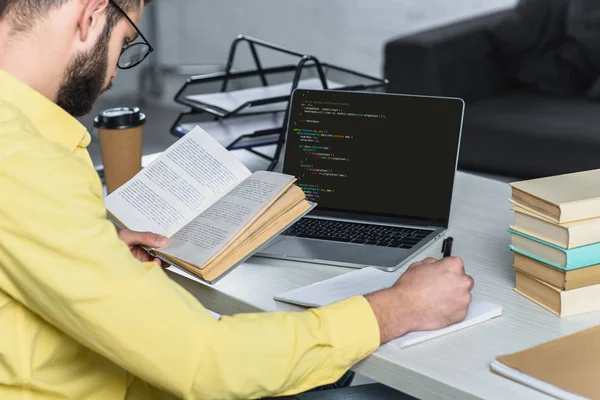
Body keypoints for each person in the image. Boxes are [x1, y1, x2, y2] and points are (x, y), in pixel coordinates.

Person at [0, 0, 475, 398]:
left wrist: (94, 251)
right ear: (90, 16)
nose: (112, 75)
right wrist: (397, 308)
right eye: (125, 44)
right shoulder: (22, 158)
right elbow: (205, 362)